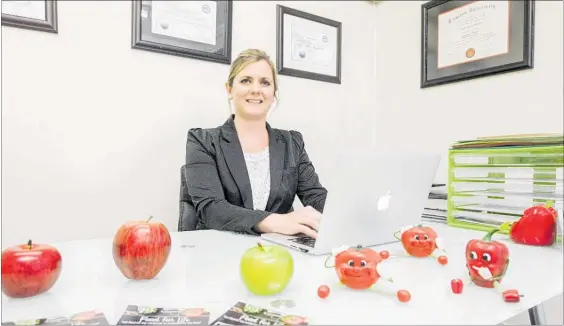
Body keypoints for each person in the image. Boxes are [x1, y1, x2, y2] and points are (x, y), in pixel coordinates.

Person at [184, 48, 327, 239]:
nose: (256, 89)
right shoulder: (202, 141)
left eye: (265, 82)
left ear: (273, 93)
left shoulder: (292, 143)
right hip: (219, 252)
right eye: (246, 80)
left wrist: (353, 213)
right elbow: (211, 209)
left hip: (277, 254)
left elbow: (316, 197)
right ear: (229, 89)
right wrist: (277, 221)